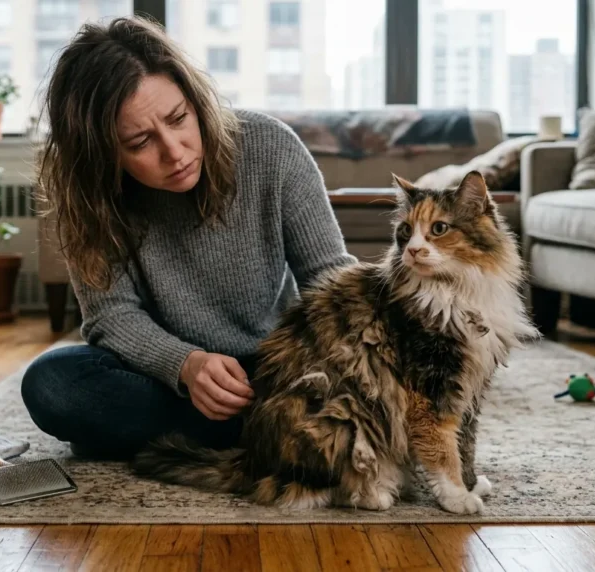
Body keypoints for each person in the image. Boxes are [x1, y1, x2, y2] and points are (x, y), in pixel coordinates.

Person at [22, 15, 355, 460]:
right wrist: (186, 365)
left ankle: (185, 435)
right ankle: (267, 433)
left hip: (271, 369)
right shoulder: (90, 198)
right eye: (140, 142)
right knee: (52, 384)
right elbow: (111, 317)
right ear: (102, 157)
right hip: (165, 377)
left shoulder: (271, 147)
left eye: (179, 118)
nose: (175, 152)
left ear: (195, 101)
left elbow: (328, 278)